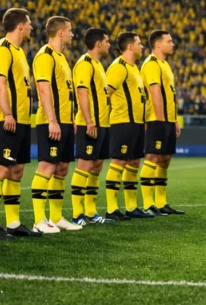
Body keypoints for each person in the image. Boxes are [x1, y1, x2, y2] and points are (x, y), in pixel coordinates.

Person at [0, 8, 39, 239]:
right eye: (29, 23)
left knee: (16, 170)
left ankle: (14, 223)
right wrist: (7, 113)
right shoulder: (2, 49)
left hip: (22, 120)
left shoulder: (19, 52)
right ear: (19, 26)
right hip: (6, 119)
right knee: (0, 169)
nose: (31, 27)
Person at [31, 16, 82, 233]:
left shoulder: (61, 57)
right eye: (70, 30)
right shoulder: (45, 55)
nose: (72, 34)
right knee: (47, 166)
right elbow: (43, 90)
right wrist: (52, 120)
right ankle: (38, 221)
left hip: (65, 122)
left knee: (61, 168)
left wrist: (70, 120)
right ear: (60, 32)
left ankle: (56, 216)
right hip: (50, 121)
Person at [104, 31, 149, 221]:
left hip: (136, 124)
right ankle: (112, 209)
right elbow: (106, 92)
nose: (141, 46)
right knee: (119, 162)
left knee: (133, 163)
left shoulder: (134, 68)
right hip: (123, 122)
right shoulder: (118, 67)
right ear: (130, 46)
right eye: (139, 43)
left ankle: (131, 207)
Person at [140, 30, 185, 217]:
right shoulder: (151, 64)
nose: (172, 43)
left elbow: (170, 95)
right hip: (156, 119)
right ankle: (148, 204)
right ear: (158, 44)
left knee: (165, 159)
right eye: (169, 41)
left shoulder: (165, 65)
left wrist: (173, 119)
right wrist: (159, 119)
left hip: (167, 119)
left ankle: (160, 202)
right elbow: (154, 92)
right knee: (153, 158)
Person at [71, 27, 112, 225]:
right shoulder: (84, 64)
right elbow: (82, 93)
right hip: (91, 124)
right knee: (84, 165)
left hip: (103, 124)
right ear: (98, 44)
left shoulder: (98, 65)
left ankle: (90, 212)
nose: (109, 45)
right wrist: (88, 121)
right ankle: (77, 214)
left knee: (96, 166)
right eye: (107, 41)